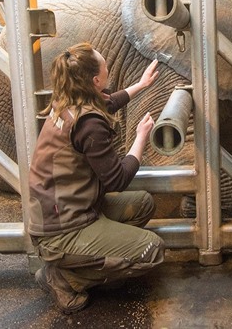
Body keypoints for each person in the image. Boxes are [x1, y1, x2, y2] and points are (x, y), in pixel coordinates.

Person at [27, 42, 165, 314]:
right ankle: (64, 278)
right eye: (105, 66)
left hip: (69, 210)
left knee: (143, 203)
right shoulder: (89, 125)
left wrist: (141, 85)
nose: (108, 68)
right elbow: (117, 180)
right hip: (62, 229)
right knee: (152, 249)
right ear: (96, 80)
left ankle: (95, 263)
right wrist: (141, 138)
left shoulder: (68, 99)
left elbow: (108, 101)